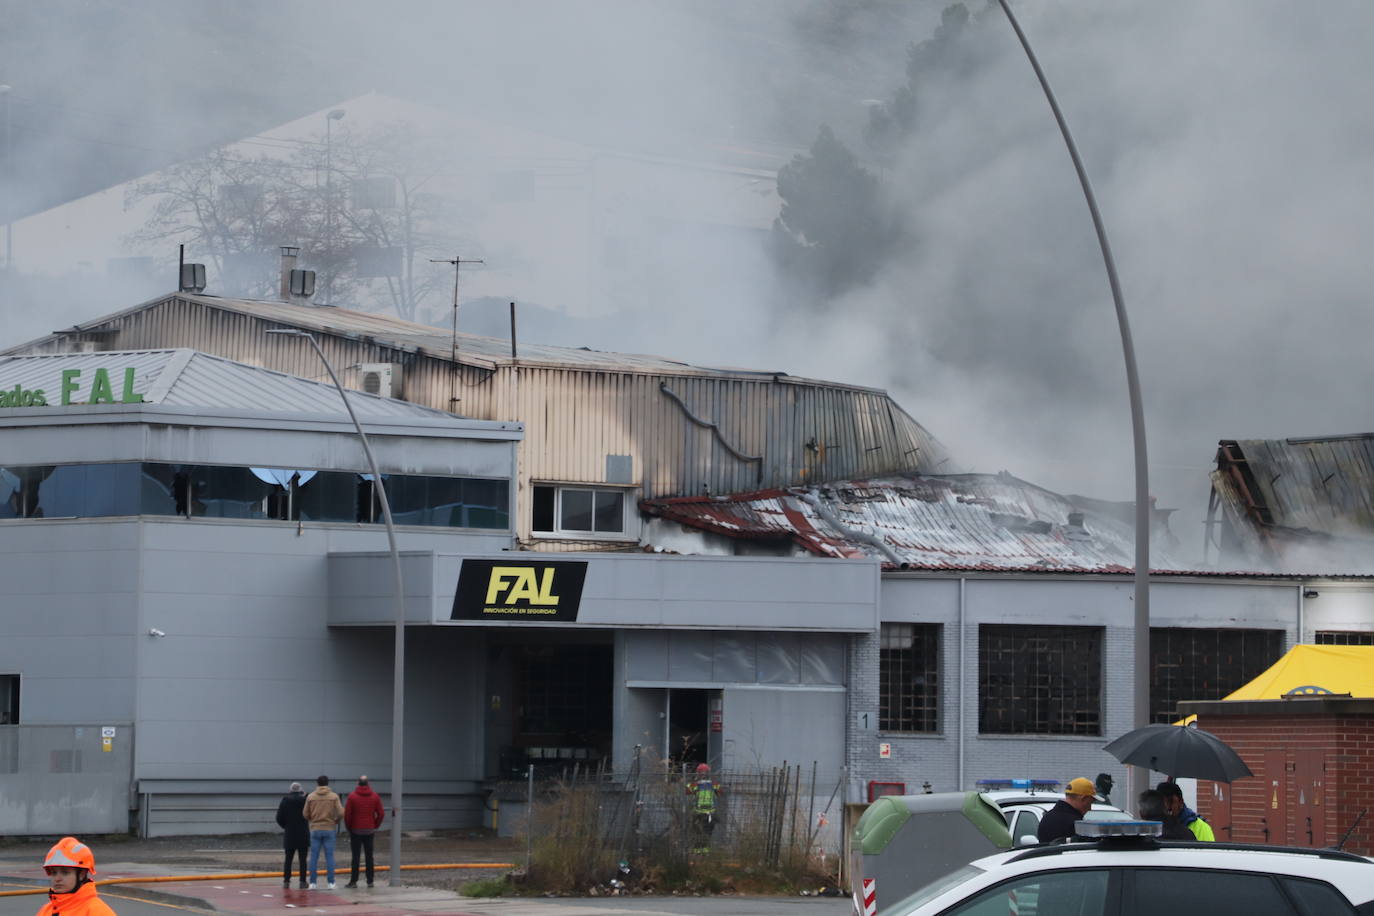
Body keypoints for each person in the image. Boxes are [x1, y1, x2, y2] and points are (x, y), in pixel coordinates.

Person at [36, 837, 116, 916]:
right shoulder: (46, 911)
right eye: (54, 872)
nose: (57, 879)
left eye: (65, 872)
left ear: (82, 874)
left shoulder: (97, 911)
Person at [303, 774, 345, 889]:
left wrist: (313, 820)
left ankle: (312, 883)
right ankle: (331, 883)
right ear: (327, 783)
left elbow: (305, 814)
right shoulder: (334, 796)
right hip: (329, 828)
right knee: (329, 856)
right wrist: (335, 820)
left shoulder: (311, 797)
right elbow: (341, 812)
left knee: (314, 856)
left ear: (317, 784)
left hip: (315, 829)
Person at [343, 774, 385, 888]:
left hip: (356, 830)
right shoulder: (375, 796)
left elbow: (347, 815)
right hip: (369, 830)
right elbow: (381, 813)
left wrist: (349, 827)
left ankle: (353, 881)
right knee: (369, 856)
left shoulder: (352, 797)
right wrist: (375, 825)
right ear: (368, 783)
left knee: (356, 856)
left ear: (358, 783)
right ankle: (370, 881)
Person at [1036, 777, 1096, 843]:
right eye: (1090, 802)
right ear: (1083, 798)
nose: (1090, 808)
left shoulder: (1047, 817)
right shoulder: (1076, 824)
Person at [275, 781, 310, 889]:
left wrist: (286, 826)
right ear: (300, 790)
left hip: (290, 833)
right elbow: (310, 814)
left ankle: (286, 881)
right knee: (302, 859)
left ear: (290, 790)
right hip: (303, 833)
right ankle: (302, 881)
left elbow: (279, 817)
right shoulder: (305, 801)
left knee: (288, 859)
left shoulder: (285, 801)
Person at [685, 763, 722, 851]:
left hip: (702, 813)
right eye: (702, 772)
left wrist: (694, 782)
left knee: (700, 833)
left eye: (704, 772)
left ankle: (700, 851)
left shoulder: (696, 784)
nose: (703, 774)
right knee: (704, 833)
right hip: (705, 813)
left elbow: (687, 791)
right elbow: (720, 792)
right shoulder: (713, 784)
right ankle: (702, 851)